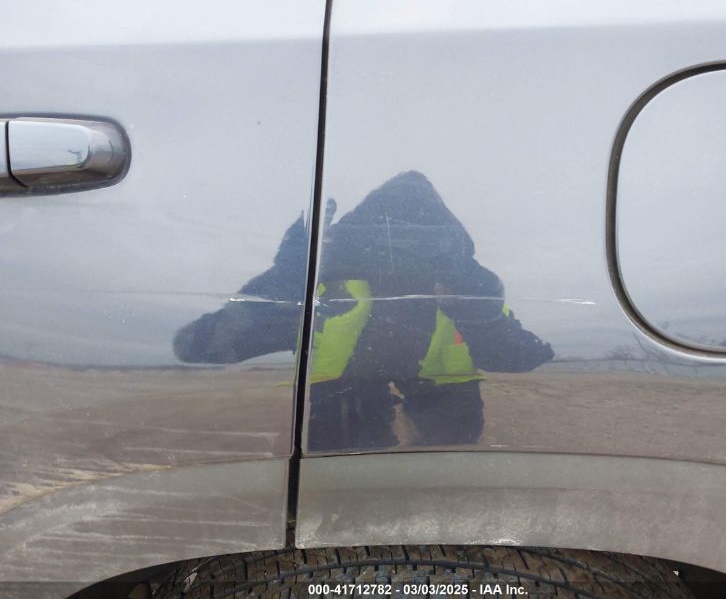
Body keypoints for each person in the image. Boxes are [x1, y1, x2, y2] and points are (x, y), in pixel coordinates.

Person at [173, 170, 554, 451]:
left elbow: (195, 346)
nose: (399, 261)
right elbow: (522, 356)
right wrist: (286, 284)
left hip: (369, 462)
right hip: (395, 461)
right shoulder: (462, 282)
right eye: (389, 241)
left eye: (419, 243)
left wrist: (285, 282)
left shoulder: (463, 284)